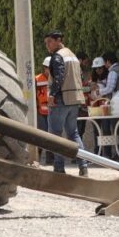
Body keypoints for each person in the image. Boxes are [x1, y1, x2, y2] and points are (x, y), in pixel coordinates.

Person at [43, 30, 88, 176]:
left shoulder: (57, 56)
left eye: (49, 42)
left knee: (55, 135)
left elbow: (59, 77)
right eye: (46, 43)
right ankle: (83, 166)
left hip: (61, 99)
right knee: (73, 133)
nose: (47, 46)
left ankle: (59, 168)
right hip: (75, 100)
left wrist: (52, 94)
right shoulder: (73, 56)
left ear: (58, 40)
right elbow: (80, 75)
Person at [34, 57, 52, 165]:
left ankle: (50, 158)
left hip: (52, 111)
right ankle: (38, 157)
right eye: (49, 69)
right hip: (40, 111)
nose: (50, 71)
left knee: (51, 134)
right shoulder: (37, 79)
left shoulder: (54, 79)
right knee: (42, 133)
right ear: (44, 68)